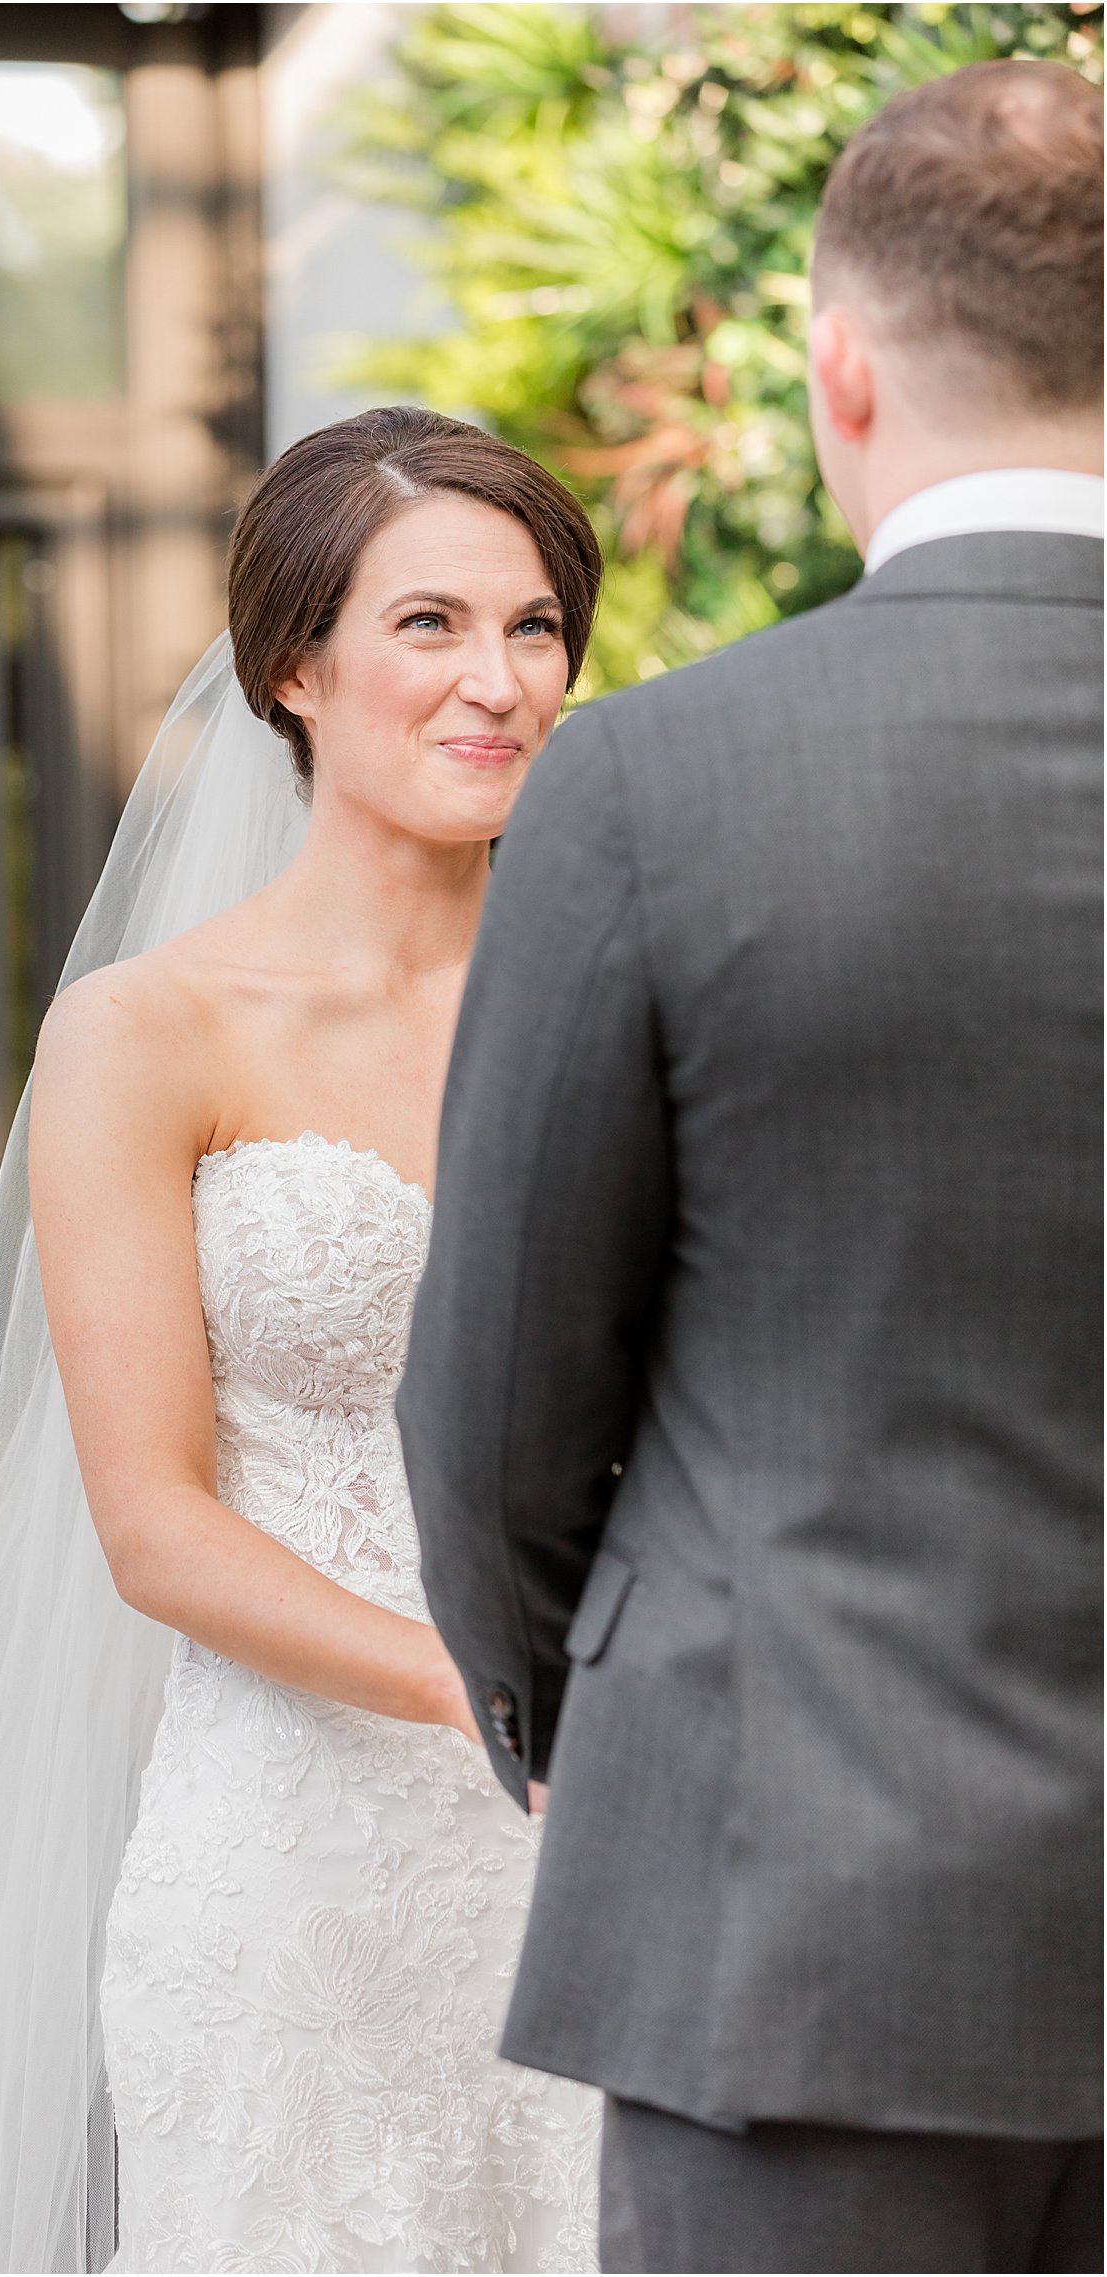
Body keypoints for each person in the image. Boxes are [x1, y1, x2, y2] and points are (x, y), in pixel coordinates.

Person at [0, 408, 605, 2275]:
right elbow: (153, 1525)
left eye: (539, 625)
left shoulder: (625, 982)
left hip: (614, 1856)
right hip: (304, 1871)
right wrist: (507, 1711)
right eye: (432, 626)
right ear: (294, 665)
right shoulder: (146, 1034)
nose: (499, 680)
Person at [397, 57, 1103, 2277]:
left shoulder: (648, 788)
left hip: (782, 1906)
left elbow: (497, 1389)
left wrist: (565, 1721)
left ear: (837, 373)